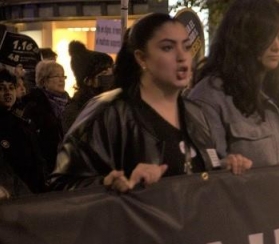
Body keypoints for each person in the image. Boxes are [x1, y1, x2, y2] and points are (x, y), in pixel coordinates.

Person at [49, 13, 251, 191]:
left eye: (187, 47)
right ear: (141, 58)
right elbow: (61, 186)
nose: (182, 56)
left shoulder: (195, 113)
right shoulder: (108, 112)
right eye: (167, 47)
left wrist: (220, 169)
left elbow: (196, 177)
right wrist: (109, 184)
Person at [189, 0, 279, 169]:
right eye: (267, 37)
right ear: (242, 38)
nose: (277, 46)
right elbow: (208, 172)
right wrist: (269, 177)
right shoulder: (211, 96)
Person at [0, 68, 45, 196]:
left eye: (11, 87)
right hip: (12, 198)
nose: (7, 92)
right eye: (1, 88)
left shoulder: (23, 122)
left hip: (32, 196)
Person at [22, 60, 69, 173]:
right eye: (56, 76)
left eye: (63, 76)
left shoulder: (70, 103)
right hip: (48, 166)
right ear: (44, 81)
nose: (61, 79)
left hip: (68, 164)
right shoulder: (34, 106)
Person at [62, 41, 115, 130]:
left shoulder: (113, 103)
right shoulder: (76, 111)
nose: (110, 77)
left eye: (111, 71)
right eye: (104, 73)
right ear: (88, 81)